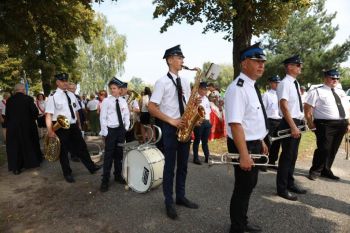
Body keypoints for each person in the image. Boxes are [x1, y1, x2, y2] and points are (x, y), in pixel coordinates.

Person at [148, 45, 199, 220]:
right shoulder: (161, 82)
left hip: (184, 125)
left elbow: (186, 102)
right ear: (170, 60)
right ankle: (168, 201)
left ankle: (181, 196)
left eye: (182, 58)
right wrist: (171, 120)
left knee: (183, 165)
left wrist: (194, 104)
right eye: (179, 57)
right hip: (170, 127)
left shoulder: (185, 81)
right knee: (170, 167)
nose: (182, 60)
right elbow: (151, 107)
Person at [224, 43, 268, 233]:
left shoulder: (251, 86)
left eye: (263, 62)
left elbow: (253, 119)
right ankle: (237, 228)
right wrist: (244, 154)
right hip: (243, 144)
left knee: (249, 185)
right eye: (256, 61)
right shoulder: (238, 88)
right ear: (244, 64)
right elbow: (236, 124)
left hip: (253, 143)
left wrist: (261, 140)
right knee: (243, 188)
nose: (261, 65)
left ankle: (241, 221)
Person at [45, 73, 101, 183]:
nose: (65, 82)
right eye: (62, 81)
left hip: (73, 125)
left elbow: (76, 111)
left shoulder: (71, 95)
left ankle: (91, 167)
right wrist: (50, 131)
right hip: (60, 127)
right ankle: (67, 173)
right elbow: (48, 115)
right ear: (57, 82)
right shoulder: (53, 96)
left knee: (82, 146)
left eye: (66, 80)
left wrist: (79, 125)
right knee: (63, 151)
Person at [305, 68, 349, 181]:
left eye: (337, 78)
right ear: (325, 78)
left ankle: (326, 169)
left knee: (333, 149)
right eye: (332, 78)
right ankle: (315, 170)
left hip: (341, 123)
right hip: (325, 124)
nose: (335, 80)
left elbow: (347, 108)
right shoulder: (317, 91)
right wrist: (310, 123)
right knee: (323, 148)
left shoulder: (341, 92)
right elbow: (308, 108)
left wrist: (348, 123)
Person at [276, 55, 307, 201]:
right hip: (290, 122)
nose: (300, 67)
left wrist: (302, 120)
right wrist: (293, 125)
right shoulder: (284, 83)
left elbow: (296, 106)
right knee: (287, 157)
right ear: (289, 67)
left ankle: (290, 183)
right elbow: (284, 105)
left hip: (296, 121)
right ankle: (282, 188)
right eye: (298, 65)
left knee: (293, 156)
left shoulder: (294, 83)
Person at [99, 77, 130, 192]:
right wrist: (105, 132)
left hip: (120, 130)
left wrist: (126, 127)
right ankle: (105, 181)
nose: (113, 90)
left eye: (115, 88)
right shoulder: (107, 101)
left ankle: (117, 175)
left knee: (119, 154)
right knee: (108, 156)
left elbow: (126, 115)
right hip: (111, 131)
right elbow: (102, 117)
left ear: (120, 90)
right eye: (111, 88)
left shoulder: (122, 101)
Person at [5, 84, 42, 174]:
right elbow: (34, 112)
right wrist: (34, 118)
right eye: (24, 89)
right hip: (27, 126)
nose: (25, 90)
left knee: (15, 146)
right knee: (29, 143)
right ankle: (31, 163)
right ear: (22, 89)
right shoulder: (28, 99)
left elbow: (7, 115)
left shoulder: (9, 100)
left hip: (13, 127)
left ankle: (16, 168)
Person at [261, 75, 282, 170]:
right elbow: (263, 110)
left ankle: (272, 162)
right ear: (270, 83)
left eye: (279, 82)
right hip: (270, 120)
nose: (277, 84)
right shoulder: (267, 95)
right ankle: (263, 162)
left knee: (277, 143)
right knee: (268, 142)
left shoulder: (282, 94)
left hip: (280, 121)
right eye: (275, 82)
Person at [192, 82, 212, 165]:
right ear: (199, 89)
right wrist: (195, 121)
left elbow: (208, 110)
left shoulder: (206, 98)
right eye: (204, 89)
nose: (205, 91)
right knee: (197, 140)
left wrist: (209, 120)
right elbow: (192, 110)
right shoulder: (195, 98)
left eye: (206, 90)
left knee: (205, 141)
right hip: (199, 122)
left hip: (207, 122)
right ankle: (195, 158)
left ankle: (207, 157)